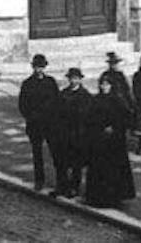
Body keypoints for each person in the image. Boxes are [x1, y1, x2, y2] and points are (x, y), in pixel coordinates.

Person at [81, 74, 137, 208]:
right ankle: (97, 197)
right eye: (102, 84)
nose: (104, 87)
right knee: (98, 169)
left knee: (113, 170)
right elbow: (88, 119)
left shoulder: (117, 100)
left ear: (111, 86)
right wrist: (98, 129)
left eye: (107, 84)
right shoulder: (95, 100)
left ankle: (114, 198)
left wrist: (115, 128)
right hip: (99, 140)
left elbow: (126, 118)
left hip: (114, 142)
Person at [17, 53, 59, 191]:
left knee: (55, 152)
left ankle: (60, 181)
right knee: (37, 153)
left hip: (50, 124)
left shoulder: (50, 82)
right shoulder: (27, 84)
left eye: (41, 67)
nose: (39, 70)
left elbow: (57, 100)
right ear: (33, 68)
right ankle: (39, 180)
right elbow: (22, 104)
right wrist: (30, 116)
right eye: (36, 67)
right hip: (35, 124)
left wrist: (53, 117)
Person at [50, 66, 91, 198]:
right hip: (64, 134)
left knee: (76, 164)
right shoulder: (63, 94)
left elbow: (88, 116)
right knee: (62, 162)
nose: (73, 81)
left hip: (78, 134)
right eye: (71, 78)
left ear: (80, 80)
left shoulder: (85, 96)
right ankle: (61, 186)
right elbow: (56, 113)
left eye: (76, 79)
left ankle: (74, 187)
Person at [97, 50, 134, 123]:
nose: (114, 65)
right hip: (110, 104)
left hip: (122, 104)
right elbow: (102, 91)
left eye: (116, 63)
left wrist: (130, 104)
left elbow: (127, 91)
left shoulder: (121, 75)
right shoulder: (105, 75)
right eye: (112, 63)